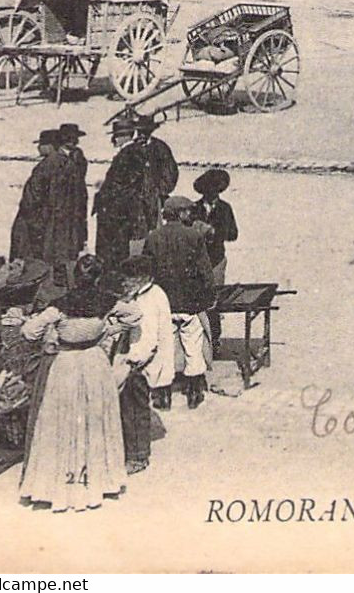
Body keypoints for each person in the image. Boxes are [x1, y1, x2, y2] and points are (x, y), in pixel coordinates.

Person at [16, 270, 131, 511]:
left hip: (66, 363)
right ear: (97, 279)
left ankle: (59, 485)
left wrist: (54, 337)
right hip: (95, 362)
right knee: (95, 418)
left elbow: (29, 331)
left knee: (62, 419)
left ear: (73, 280)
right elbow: (135, 315)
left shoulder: (59, 306)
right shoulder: (107, 301)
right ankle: (98, 481)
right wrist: (107, 331)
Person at [143, 196, 216, 406]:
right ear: (181, 213)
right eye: (187, 211)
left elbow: (147, 271)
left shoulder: (153, 237)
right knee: (193, 347)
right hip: (189, 304)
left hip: (164, 304)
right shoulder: (194, 236)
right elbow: (206, 273)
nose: (190, 215)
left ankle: (163, 395)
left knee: (165, 349)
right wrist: (208, 297)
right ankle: (193, 392)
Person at [113, 256, 173, 471]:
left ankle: (138, 457)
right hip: (140, 360)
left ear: (141, 278)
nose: (124, 283)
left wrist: (133, 361)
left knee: (134, 410)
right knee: (134, 408)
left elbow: (148, 338)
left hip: (140, 363)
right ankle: (135, 452)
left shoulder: (149, 299)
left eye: (128, 279)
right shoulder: (151, 293)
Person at [93, 116, 158, 271]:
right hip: (121, 213)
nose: (113, 140)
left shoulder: (130, 153)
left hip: (119, 214)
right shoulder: (131, 152)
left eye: (115, 136)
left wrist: (108, 198)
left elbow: (128, 184)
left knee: (115, 253)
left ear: (123, 136)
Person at [10, 130, 67, 266]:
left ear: (50, 146)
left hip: (37, 221)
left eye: (41, 144)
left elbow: (32, 199)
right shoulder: (66, 163)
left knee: (27, 258)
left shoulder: (44, 167)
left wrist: (32, 220)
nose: (38, 148)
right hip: (57, 220)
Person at [192, 169, 237, 341]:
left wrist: (215, 233)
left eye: (215, 191)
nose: (212, 194)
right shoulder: (193, 209)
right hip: (197, 260)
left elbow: (233, 234)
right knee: (197, 298)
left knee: (214, 300)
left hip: (217, 260)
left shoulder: (225, 209)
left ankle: (215, 338)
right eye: (208, 191)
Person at [52, 123, 90, 265]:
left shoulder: (78, 156)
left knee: (75, 239)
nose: (72, 141)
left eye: (74, 138)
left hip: (77, 205)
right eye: (68, 138)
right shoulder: (56, 158)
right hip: (62, 208)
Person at [135, 116, 179, 209]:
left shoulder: (160, 148)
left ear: (150, 132)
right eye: (139, 131)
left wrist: (158, 191)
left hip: (155, 200)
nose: (141, 134)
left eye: (144, 131)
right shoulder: (132, 148)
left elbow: (171, 172)